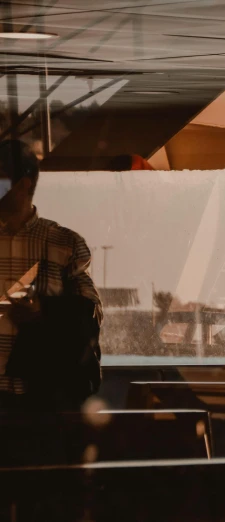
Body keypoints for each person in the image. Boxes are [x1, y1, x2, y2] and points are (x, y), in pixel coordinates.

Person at [0, 140, 103, 411]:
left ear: (23, 183)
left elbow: (92, 313)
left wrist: (45, 311)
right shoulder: (62, 243)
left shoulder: (64, 244)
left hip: (42, 395)